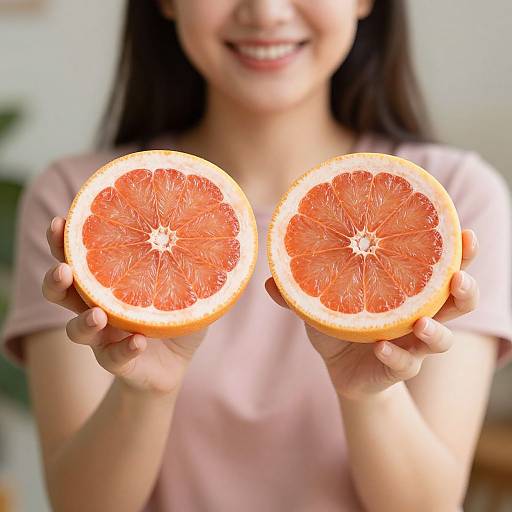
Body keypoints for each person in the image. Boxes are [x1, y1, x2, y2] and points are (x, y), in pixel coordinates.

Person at [2, 1, 511, 511]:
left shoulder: (450, 203)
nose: (266, 13)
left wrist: (370, 395)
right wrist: (143, 393)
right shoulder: (83, 204)